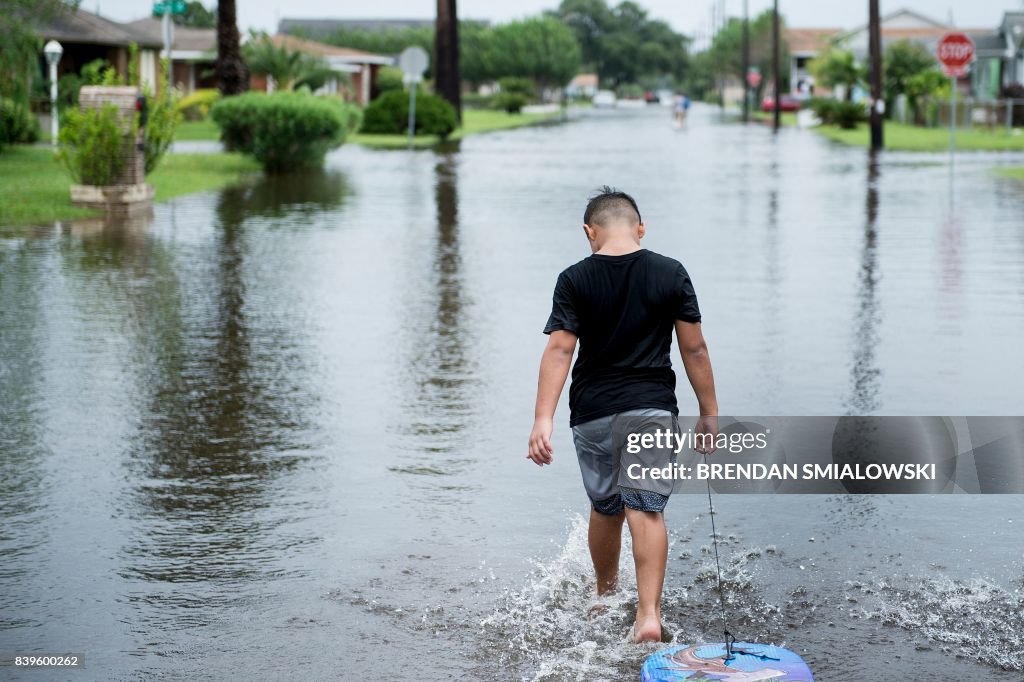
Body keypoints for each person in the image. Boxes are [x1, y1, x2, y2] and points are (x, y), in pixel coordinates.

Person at [527, 187, 719, 644]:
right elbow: (694, 347)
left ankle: (604, 596)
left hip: (592, 414)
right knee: (646, 509)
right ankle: (648, 615)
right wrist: (709, 413)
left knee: (606, 507)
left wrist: (542, 420)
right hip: (651, 410)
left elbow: (560, 349)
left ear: (589, 232)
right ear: (640, 227)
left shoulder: (574, 278)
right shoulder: (671, 273)